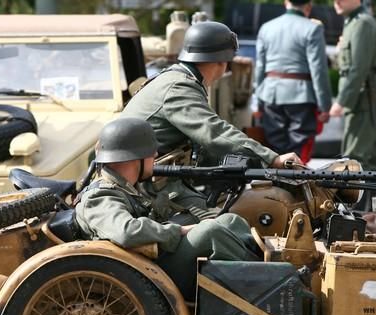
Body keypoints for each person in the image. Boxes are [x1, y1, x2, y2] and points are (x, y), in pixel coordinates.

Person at [122, 21, 301, 210]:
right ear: (222, 62)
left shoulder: (176, 79)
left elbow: (201, 147)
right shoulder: (179, 88)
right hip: (141, 188)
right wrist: (271, 158)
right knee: (226, 226)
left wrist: (257, 163)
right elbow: (214, 132)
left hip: (147, 180)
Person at [75, 117, 259, 299]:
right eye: (150, 151)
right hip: (144, 277)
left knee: (229, 221)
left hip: (150, 265)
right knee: (210, 232)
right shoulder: (99, 197)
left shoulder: (126, 187)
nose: (155, 156)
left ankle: (265, 265)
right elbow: (127, 231)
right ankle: (266, 286)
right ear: (133, 158)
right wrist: (177, 230)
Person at [255, 0, 332, 162]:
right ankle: (294, 186)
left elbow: (260, 68)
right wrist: (325, 106)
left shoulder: (266, 28)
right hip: (301, 96)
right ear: (309, 6)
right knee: (298, 150)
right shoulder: (313, 28)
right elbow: (318, 70)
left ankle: (278, 185)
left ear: (286, 2)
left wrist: (258, 101)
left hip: (271, 94)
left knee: (275, 150)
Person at [330, 0, 376, 172]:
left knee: (353, 159)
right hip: (362, 98)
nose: (337, 2)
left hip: (366, 98)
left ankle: (361, 200)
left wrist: (341, 101)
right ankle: (370, 199)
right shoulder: (352, 22)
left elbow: (359, 68)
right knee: (367, 157)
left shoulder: (362, 23)